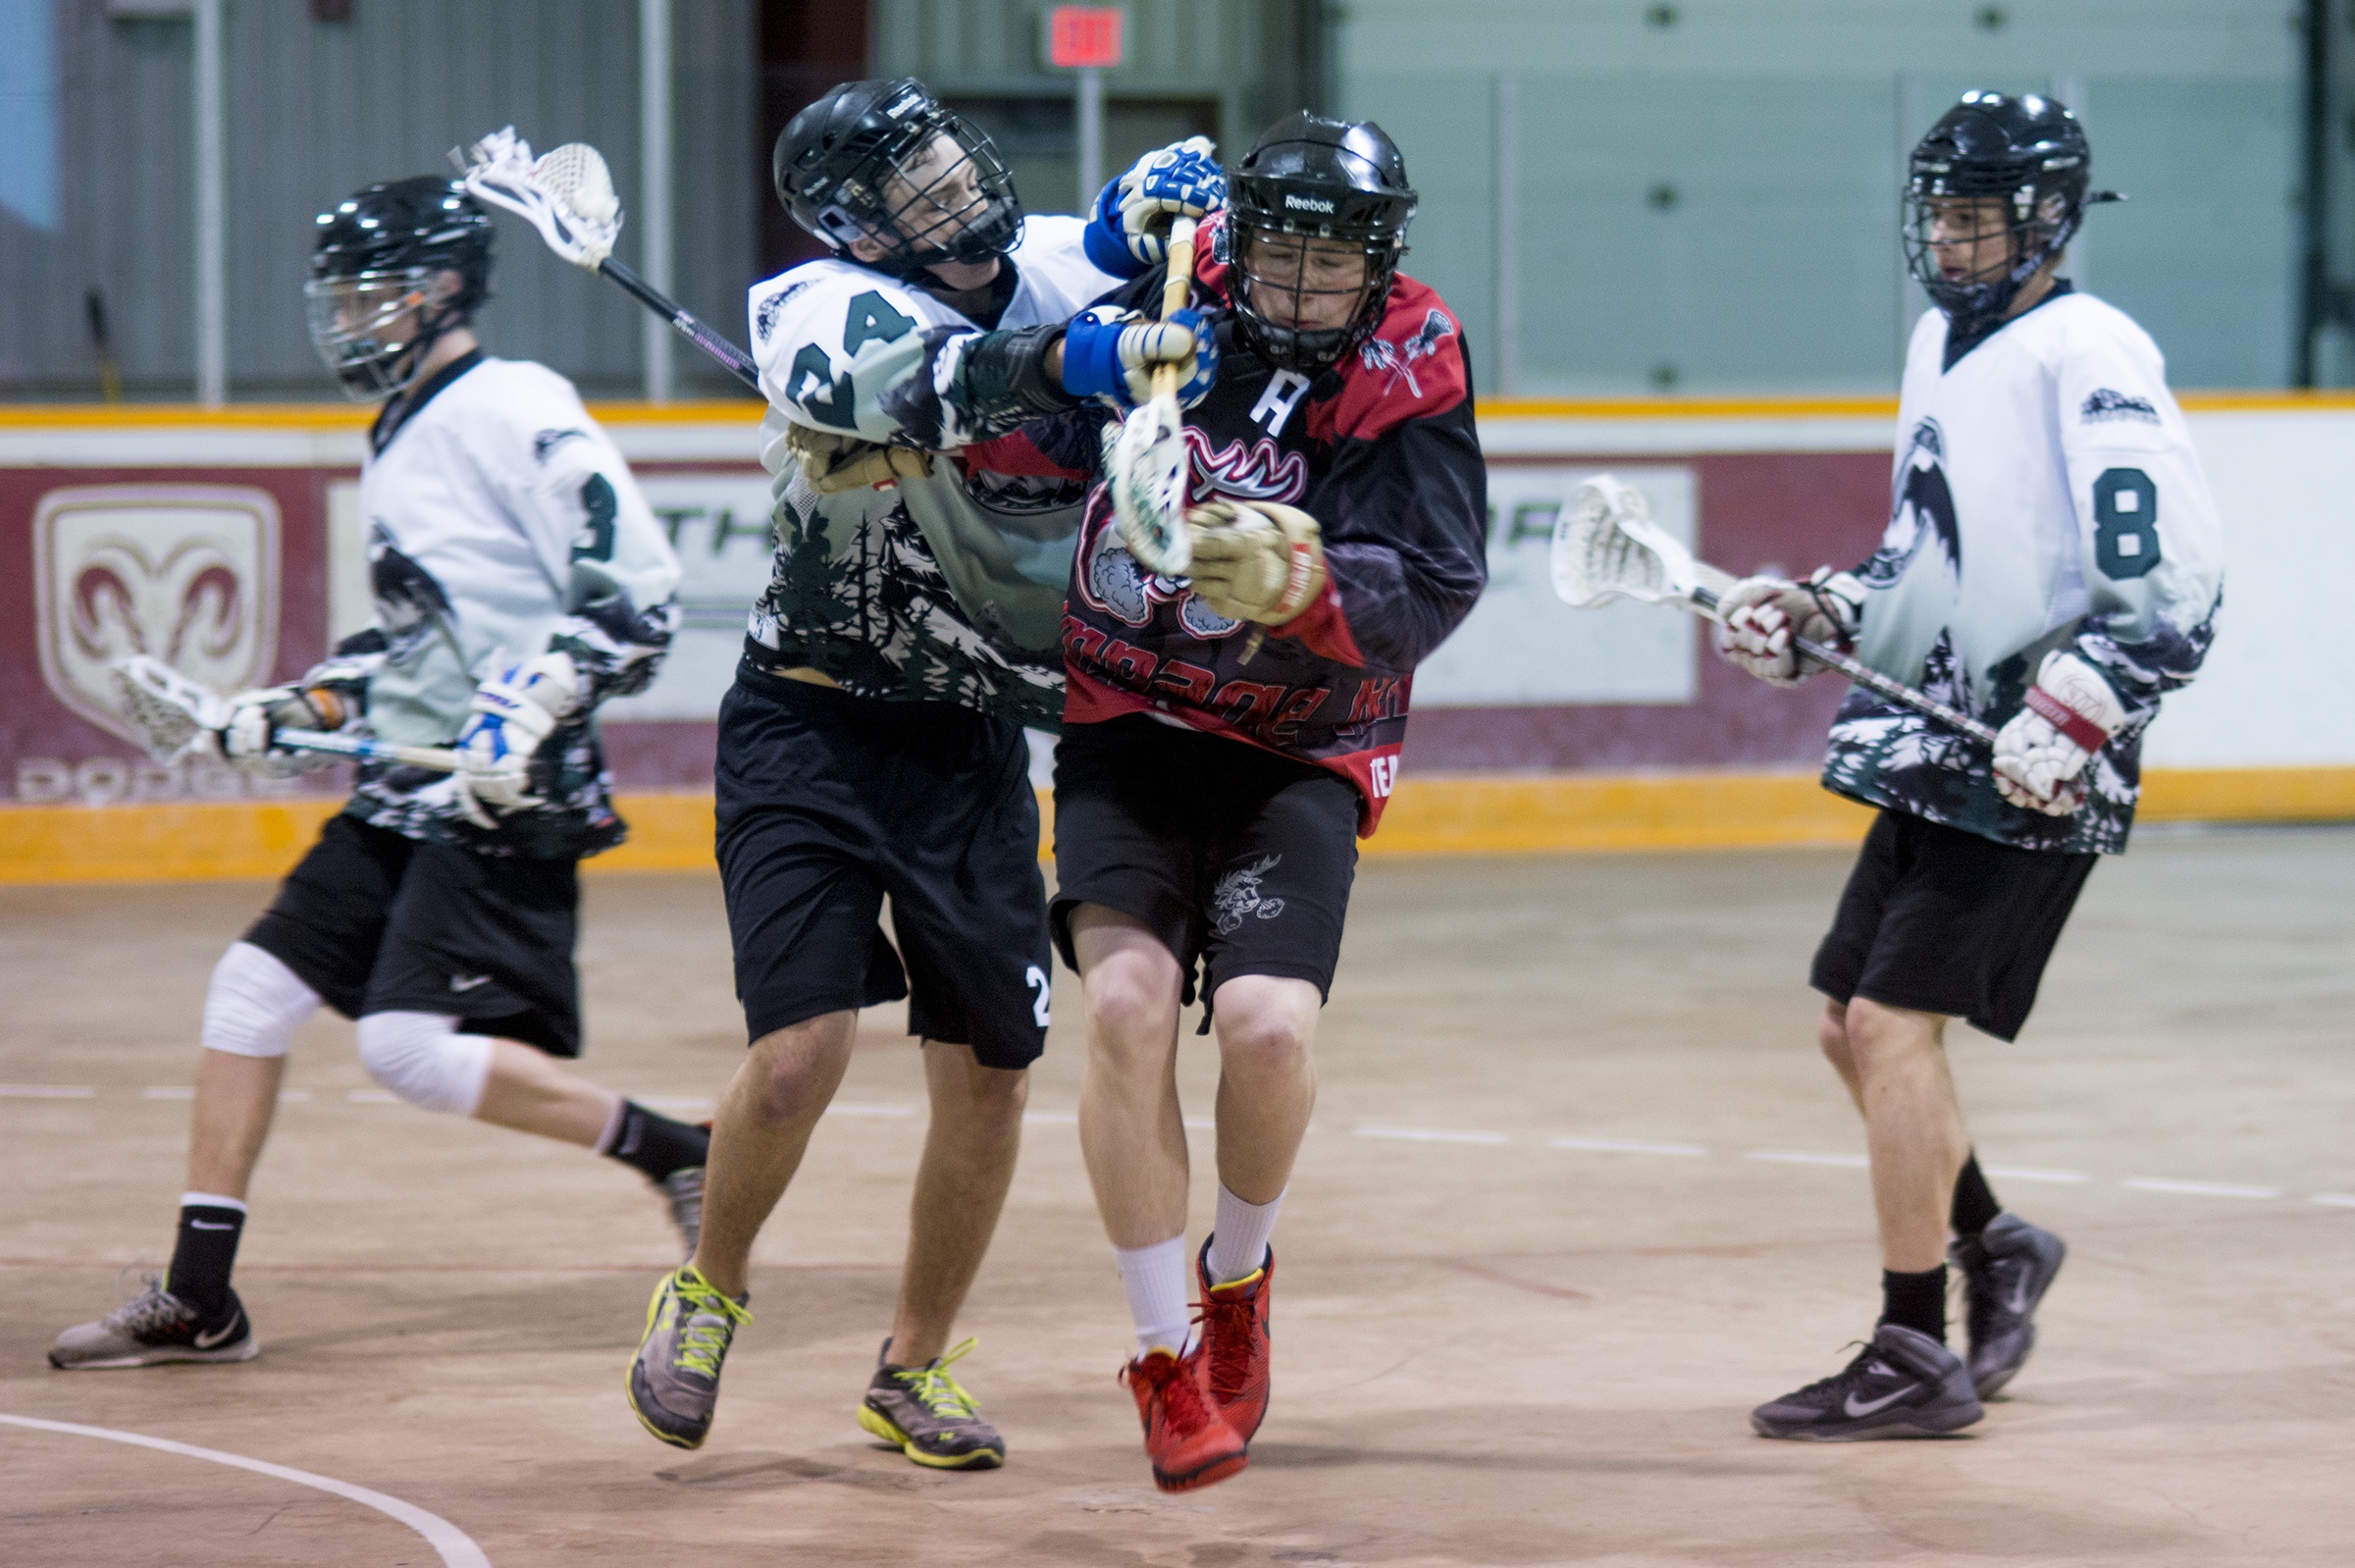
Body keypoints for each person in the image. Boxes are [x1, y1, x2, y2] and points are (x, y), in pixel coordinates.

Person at [622, 78, 1221, 1470]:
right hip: (808, 728)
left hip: (969, 745)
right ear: (856, 228)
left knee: (996, 1072)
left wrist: (1183, 205)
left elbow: (1137, 243)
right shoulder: (809, 311)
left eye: (952, 164)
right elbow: (946, 378)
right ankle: (706, 1290)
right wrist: (1085, 358)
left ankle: (915, 1364)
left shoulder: (1057, 262)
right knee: (798, 1053)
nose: (954, 194)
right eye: (913, 190)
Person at [49, 178, 699, 1371]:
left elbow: (638, 592)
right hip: (414, 782)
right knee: (248, 990)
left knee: (402, 1046)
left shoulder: (513, 400)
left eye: (367, 290)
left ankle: (674, 1149)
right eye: (336, 294)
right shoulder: (400, 429)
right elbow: (410, 643)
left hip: (503, 785)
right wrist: (279, 710)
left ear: (443, 286)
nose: (344, 316)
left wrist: (533, 703)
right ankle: (202, 1300)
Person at [1715, 92, 2224, 1439]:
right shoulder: (1943, 341)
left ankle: (1910, 1346)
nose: (1953, 236)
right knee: (1847, 1021)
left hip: (2036, 754)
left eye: (1980, 214)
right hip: (1939, 744)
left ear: (2050, 221)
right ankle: (1995, 1240)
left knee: (1890, 1026)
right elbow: (1923, 553)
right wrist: (1825, 606)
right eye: (1940, 211)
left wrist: (2089, 705)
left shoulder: (2092, 346)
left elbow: (2177, 584)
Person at [1049, 112, 1488, 1491]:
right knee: (1121, 1008)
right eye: (1282, 253)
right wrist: (927, 427)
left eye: (1336, 260)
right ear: (1240, 241)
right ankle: (1164, 1354)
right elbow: (1022, 419)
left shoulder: (1412, 353)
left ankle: (1237, 1281)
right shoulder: (1166, 296)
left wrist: (1308, 586)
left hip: (1300, 740)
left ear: (1383, 256)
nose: (1304, 287)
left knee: (1265, 1024)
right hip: (1127, 722)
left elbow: (1437, 576)